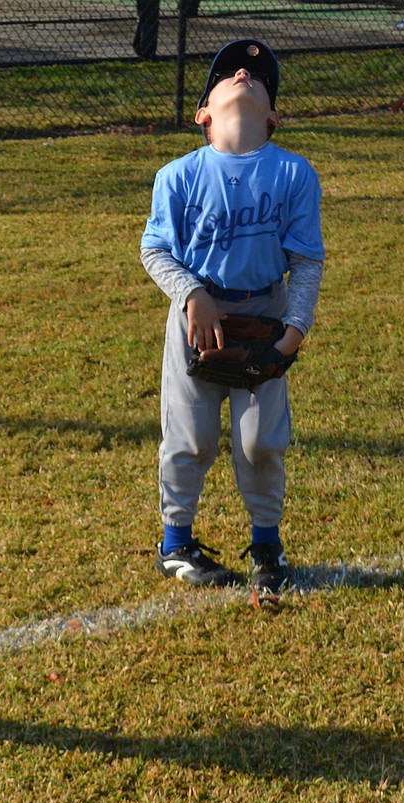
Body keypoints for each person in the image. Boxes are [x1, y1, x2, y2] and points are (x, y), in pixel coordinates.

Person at [139, 40, 325, 592]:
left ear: (272, 116)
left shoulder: (293, 173)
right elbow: (155, 249)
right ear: (203, 114)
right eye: (227, 74)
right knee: (191, 436)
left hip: (264, 312)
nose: (243, 73)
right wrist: (192, 293)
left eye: (257, 75)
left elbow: (307, 262)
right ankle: (176, 545)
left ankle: (267, 548)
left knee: (260, 441)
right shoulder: (178, 175)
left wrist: (293, 332)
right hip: (197, 317)